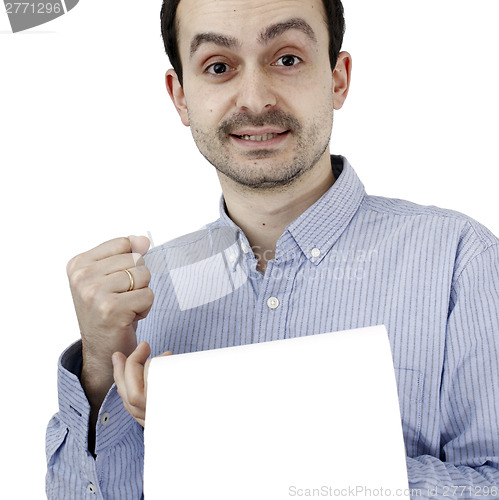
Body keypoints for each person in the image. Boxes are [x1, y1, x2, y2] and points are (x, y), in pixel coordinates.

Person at [45, 0, 499, 498]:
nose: (256, 99)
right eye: (218, 67)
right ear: (180, 97)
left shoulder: (461, 262)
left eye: (286, 58)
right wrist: (98, 364)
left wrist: (237, 437)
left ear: (338, 77)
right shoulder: (147, 292)